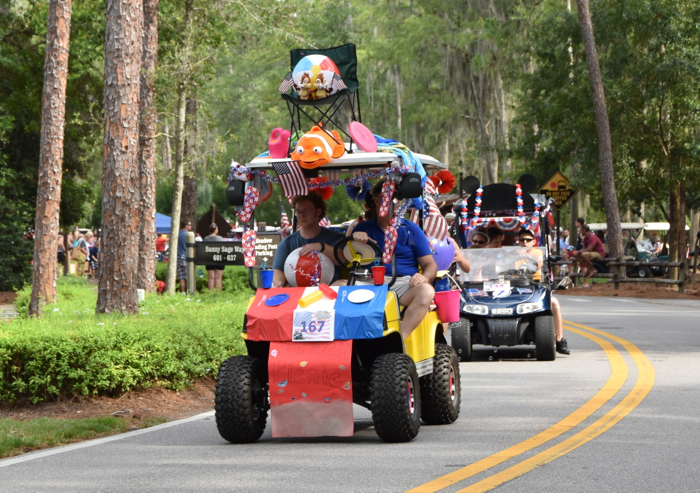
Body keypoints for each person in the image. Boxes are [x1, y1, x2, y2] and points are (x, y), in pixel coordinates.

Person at [352, 182, 437, 340]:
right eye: (393, 199)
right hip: (369, 282)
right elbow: (346, 259)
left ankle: (399, 340)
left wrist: (424, 277)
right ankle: (349, 340)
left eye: (400, 200)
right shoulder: (362, 228)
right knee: (338, 287)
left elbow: (430, 264)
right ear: (378, 201)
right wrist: (356, 239)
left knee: (426, 291)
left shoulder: (410, 228)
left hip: (402, 283)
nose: (398, 204)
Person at [272, 193, 347, 288]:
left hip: (330, 291)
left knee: (342, 284)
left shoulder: (335, 238)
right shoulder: (287, 242)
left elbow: (343, 259)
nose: (302, 215)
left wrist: (321, 247)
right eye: (298, 212)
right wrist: (279, 282)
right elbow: (277, 269)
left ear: (318, 212)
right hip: (297, 291)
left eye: (306, 211)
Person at [517, 229, 569, 354]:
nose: (525, 242)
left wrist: (526, 256)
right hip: (517, 286)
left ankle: (559, 339)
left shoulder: (537, 252)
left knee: (555, 303)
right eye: (522, 240)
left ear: (533, 241)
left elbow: (538, 265)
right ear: (518, 241)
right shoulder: (514, 254)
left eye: (528, 240)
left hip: (535, 286)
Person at [203, 223, 224, 291]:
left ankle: (210, 294)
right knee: (218, 278)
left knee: (211, 278)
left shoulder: (206, 239)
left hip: (209, 259)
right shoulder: (220, 238)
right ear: (215, 230)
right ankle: (218, 294)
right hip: (219, 259)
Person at [177, 220, 192, 293]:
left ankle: (183, 292)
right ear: (186, 225)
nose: (190, 226)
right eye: (189, 224)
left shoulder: (177, 233)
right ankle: (190, 291)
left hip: (179, 257)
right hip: (186, 257)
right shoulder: (188, 235)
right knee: (189, 275)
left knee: (181, 277)